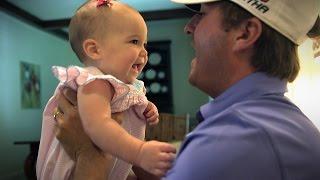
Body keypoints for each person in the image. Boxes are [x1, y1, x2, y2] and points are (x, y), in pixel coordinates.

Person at [53, 0, 320, 179]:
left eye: (201, 16)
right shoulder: (269, 124)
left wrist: (88, 156)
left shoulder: (234, 141)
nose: (188, 27)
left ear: (245, 33)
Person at [36, 0, 176, 180]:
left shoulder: (124, 84)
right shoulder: (94, 81)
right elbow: (98, 124)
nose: (144, 52)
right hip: (72, 170)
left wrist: (146, 106)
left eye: (144, 44)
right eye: (134, 41)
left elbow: (126, 104)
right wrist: (139, 152)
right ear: (94, 50)